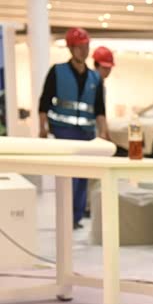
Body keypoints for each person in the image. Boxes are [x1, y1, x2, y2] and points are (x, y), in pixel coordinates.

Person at [38, 27, 108, 229]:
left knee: (82, 176)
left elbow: (100, 109)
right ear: (70, 48)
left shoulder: (95, 78)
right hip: (63, 131)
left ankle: (75, 218)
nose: (83, 50)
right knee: (68, 177)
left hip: (86, 133)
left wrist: (103, 132)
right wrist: (43, 127)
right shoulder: (57, 71)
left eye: (86, 46)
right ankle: (66, 217)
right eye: (79, 47)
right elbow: (44, 102)